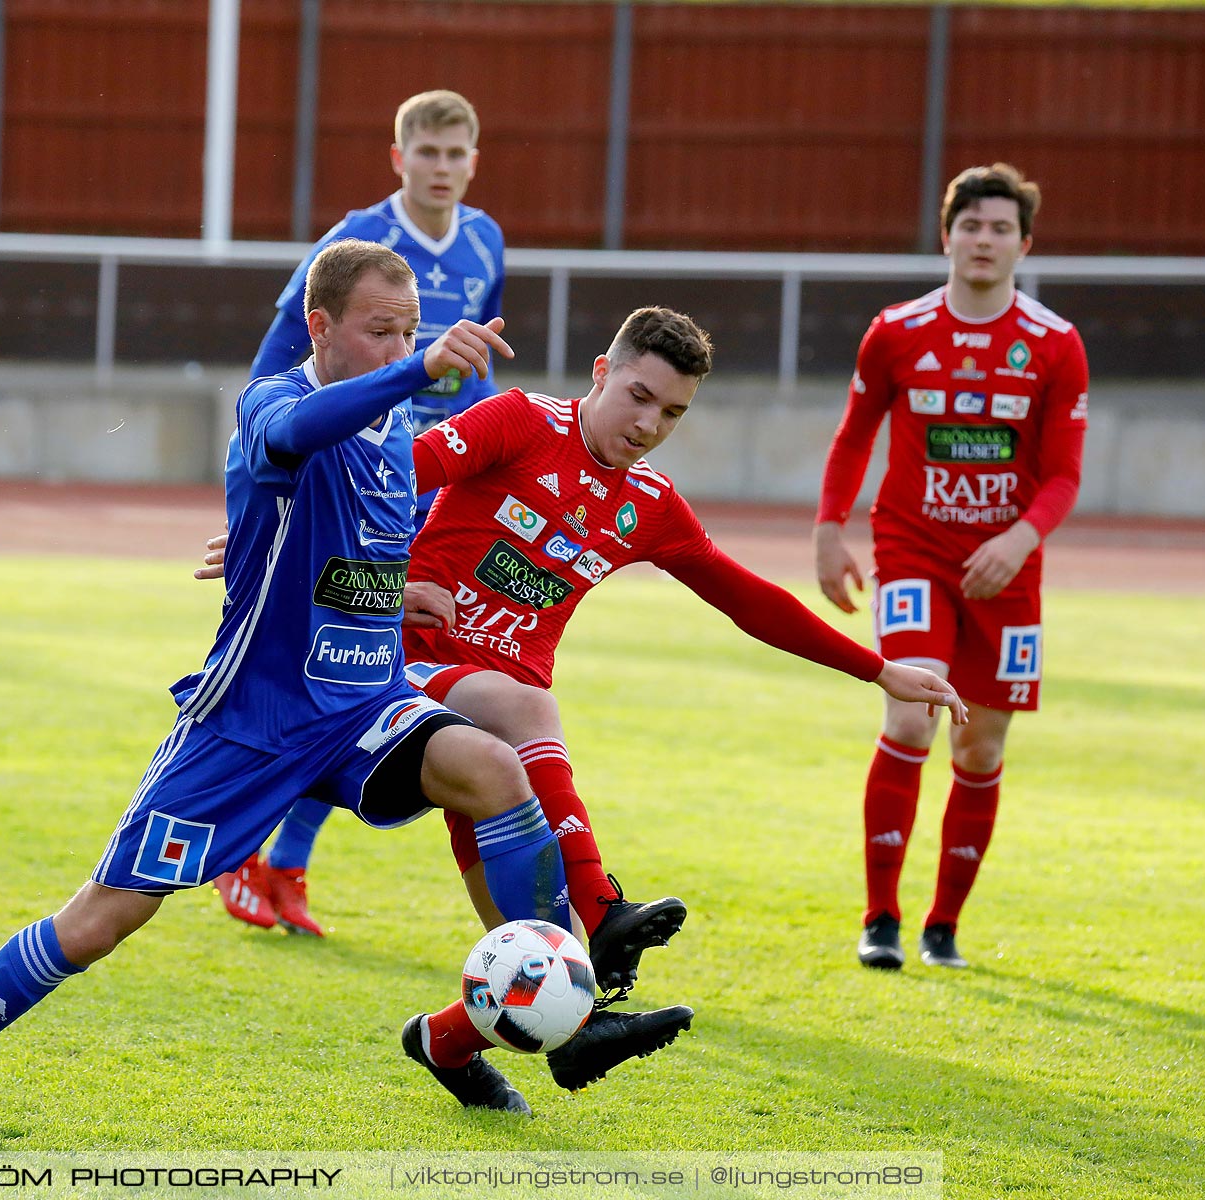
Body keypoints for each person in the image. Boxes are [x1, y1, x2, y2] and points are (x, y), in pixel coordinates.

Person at [0, 240, 581, 1143]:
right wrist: (418, 367)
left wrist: (401, 591)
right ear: (320, 324)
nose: (399, 349)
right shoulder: (274, 402)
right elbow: (293, 440)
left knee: (496, 770)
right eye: (381, 331)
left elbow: (340, 571)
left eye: (409, 332)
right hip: (250, 722)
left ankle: (545, 995)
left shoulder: (393, 442)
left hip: (361, 709)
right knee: (99, 923)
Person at [202, 307, 966, 1102]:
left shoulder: (651, 505)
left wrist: (878, 670)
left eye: (672, 412)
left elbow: (748, 600)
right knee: (528, 710)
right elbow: (377, 480)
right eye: (638, 395)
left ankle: (449, 1042)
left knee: (537, 949)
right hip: (402, 669)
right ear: (602, 369)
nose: (649, 423)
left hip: (492, 721)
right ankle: (604, 911)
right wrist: (275, 538)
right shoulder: (521, 422)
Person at [220, 89, 507, 937]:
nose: (444, 169)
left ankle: (285, 862)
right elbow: (275, 371)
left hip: (424, 488)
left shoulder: (486, 239)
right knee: (328, 671)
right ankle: (248, 846)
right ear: (399, 158)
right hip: (338, 486)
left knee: (379, 681)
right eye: (429, 153)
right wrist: (257, 499)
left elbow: (473, 369)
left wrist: (493, 450)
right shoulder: (358, 240)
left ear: (474, 162)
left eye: (458, 155)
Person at [813, 163, 1089, 971]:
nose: (984, 239)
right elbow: (854, 436)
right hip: (912, 552)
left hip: (1008, 571)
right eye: (971, 225)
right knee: (910, 716)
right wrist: (831, 528)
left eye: (1001, 228)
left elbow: (1066, 474)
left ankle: (943, 928)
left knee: (980, 749)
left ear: (1024, 244)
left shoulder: (1055, 344)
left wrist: (1020, 540)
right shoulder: (897, 330)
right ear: (947, 235)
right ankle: (882, 919)